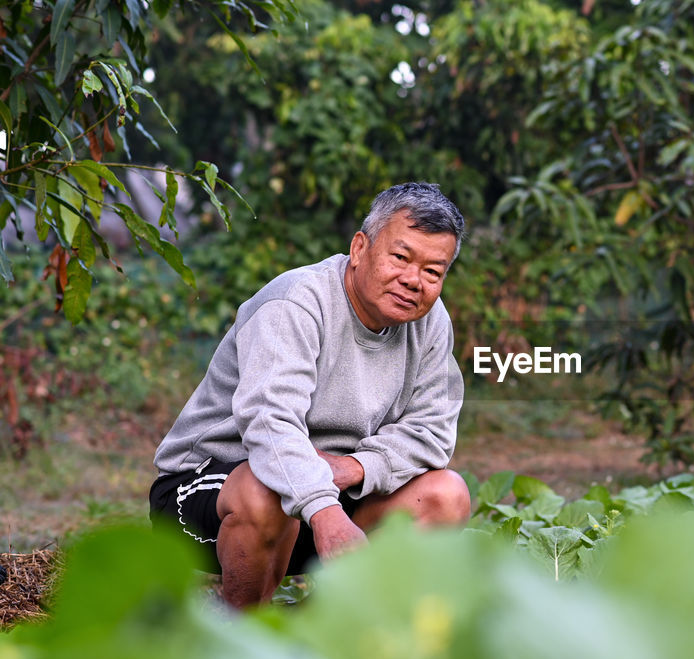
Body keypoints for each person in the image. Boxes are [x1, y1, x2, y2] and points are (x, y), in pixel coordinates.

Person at [149, 182, 471, 608]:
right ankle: (241, 635)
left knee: (445, 495)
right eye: (400, 257)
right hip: (210, 494)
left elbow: (432, 431)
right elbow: (270, 424)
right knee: (267, 487)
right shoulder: (296, 303)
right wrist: (322, 508)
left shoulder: (429, 324)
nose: (414, 281)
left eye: (433, 271)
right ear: (360, 248)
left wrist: (355, 467)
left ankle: (336, 630)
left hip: (327, 500)